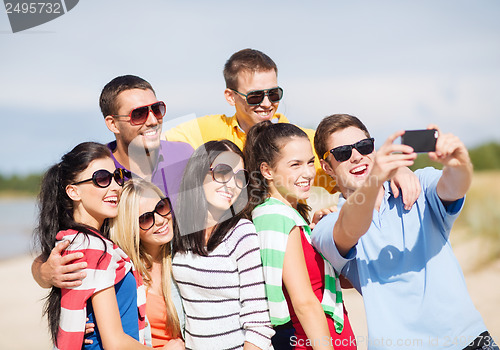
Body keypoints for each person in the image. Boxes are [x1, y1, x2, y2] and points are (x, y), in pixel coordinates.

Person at [311, 114, 499, 350]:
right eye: (342, 153)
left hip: (468, 340)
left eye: (363, 146)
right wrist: (376, 180)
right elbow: (351, 228)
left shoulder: (419, 182)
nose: (356, 156)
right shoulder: (327, 224)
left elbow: (453, 187)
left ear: (374, 149)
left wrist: (458, 164)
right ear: (327, 167)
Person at [32, 74, 193, 290]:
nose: (153, 120)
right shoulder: (97, 172)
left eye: (157, 109)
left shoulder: (184, 156)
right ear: (113, 123)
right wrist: (44, 273)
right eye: (139, 114)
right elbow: (57, 246)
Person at [245, 121, 356, 350]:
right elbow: (304, 302)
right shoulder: (277, 217)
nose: (307, 173)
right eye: (295, 165)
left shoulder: (290, 216)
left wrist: (314, 236)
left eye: (309, 162)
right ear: (267, 170)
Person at [33, 141, 155, 350]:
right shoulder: (93, 246)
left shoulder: (73, 240)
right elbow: (115, 343)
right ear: (73, 192)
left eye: (116, 177)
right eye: (102, 179)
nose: (116, 187)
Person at [172, 140, 274, 349]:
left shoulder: (241, 232)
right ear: (199, 172)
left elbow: (258, 321)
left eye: (239, 177)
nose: (232, 184)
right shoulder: (179, 230)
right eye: (222, 172)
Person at [110, 179, 185, 349]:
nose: (160, 220)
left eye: (161, 207)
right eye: (145, 218)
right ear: (131, 228)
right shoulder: (122, 274)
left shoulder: (185, 257)